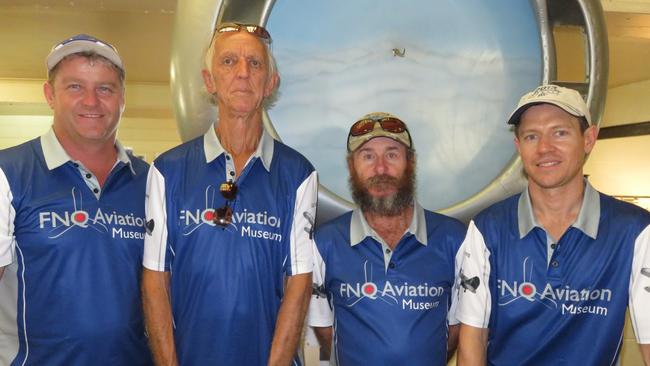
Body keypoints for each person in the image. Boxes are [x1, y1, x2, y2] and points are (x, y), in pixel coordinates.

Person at [141, 23, 317, 365]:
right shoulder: (168, 170)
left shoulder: (298, 174)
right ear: (210, 81)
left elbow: (299, 284)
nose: (242, 73)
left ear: (270, 84)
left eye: (255, 63)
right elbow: (155, 279)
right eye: (229, 62)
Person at [456, 84, 650, 365]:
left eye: (560, 132)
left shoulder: (635, 230)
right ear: (518, 147)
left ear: (588, 139)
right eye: (531, 136)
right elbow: (473, 336)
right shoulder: (488, 229)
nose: (545, 148)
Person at [0, 34, 152, 365]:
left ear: (123, 98)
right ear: (49, 95)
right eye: (74, 87)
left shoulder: (152, 181)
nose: (91, 102)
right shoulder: (7, 172)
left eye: (105, 89)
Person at [308, 112, 466, 365]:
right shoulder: (324, 243)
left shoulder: (455, 239)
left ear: (411, 162)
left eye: (392, 154)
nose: (380, 168)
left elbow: (458, 330)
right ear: (352, 166)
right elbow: (327, 334)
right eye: (368, 156)